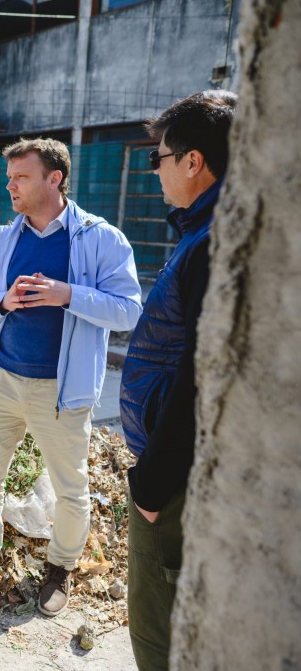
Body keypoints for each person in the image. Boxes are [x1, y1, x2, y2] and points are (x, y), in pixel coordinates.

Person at [0, 138, 142, 616]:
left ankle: (61, 567)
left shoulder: (102, 238)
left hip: (62, 390)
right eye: (10, 177)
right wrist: (2, 302)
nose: (10, 185)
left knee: (70, 488)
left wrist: (67, 294)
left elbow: (128, 311)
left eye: (21, 177)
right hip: (2, 380)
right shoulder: (4, 237)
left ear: (54, 179)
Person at [119, 90, 237, 671]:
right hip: (186, 478)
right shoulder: (210, 231)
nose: (156, 171)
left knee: (161, 634)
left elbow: (205, 380)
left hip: (176, 487)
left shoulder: (217, 242)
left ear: (193, 161)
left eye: (158, 157)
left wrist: (151, 485)